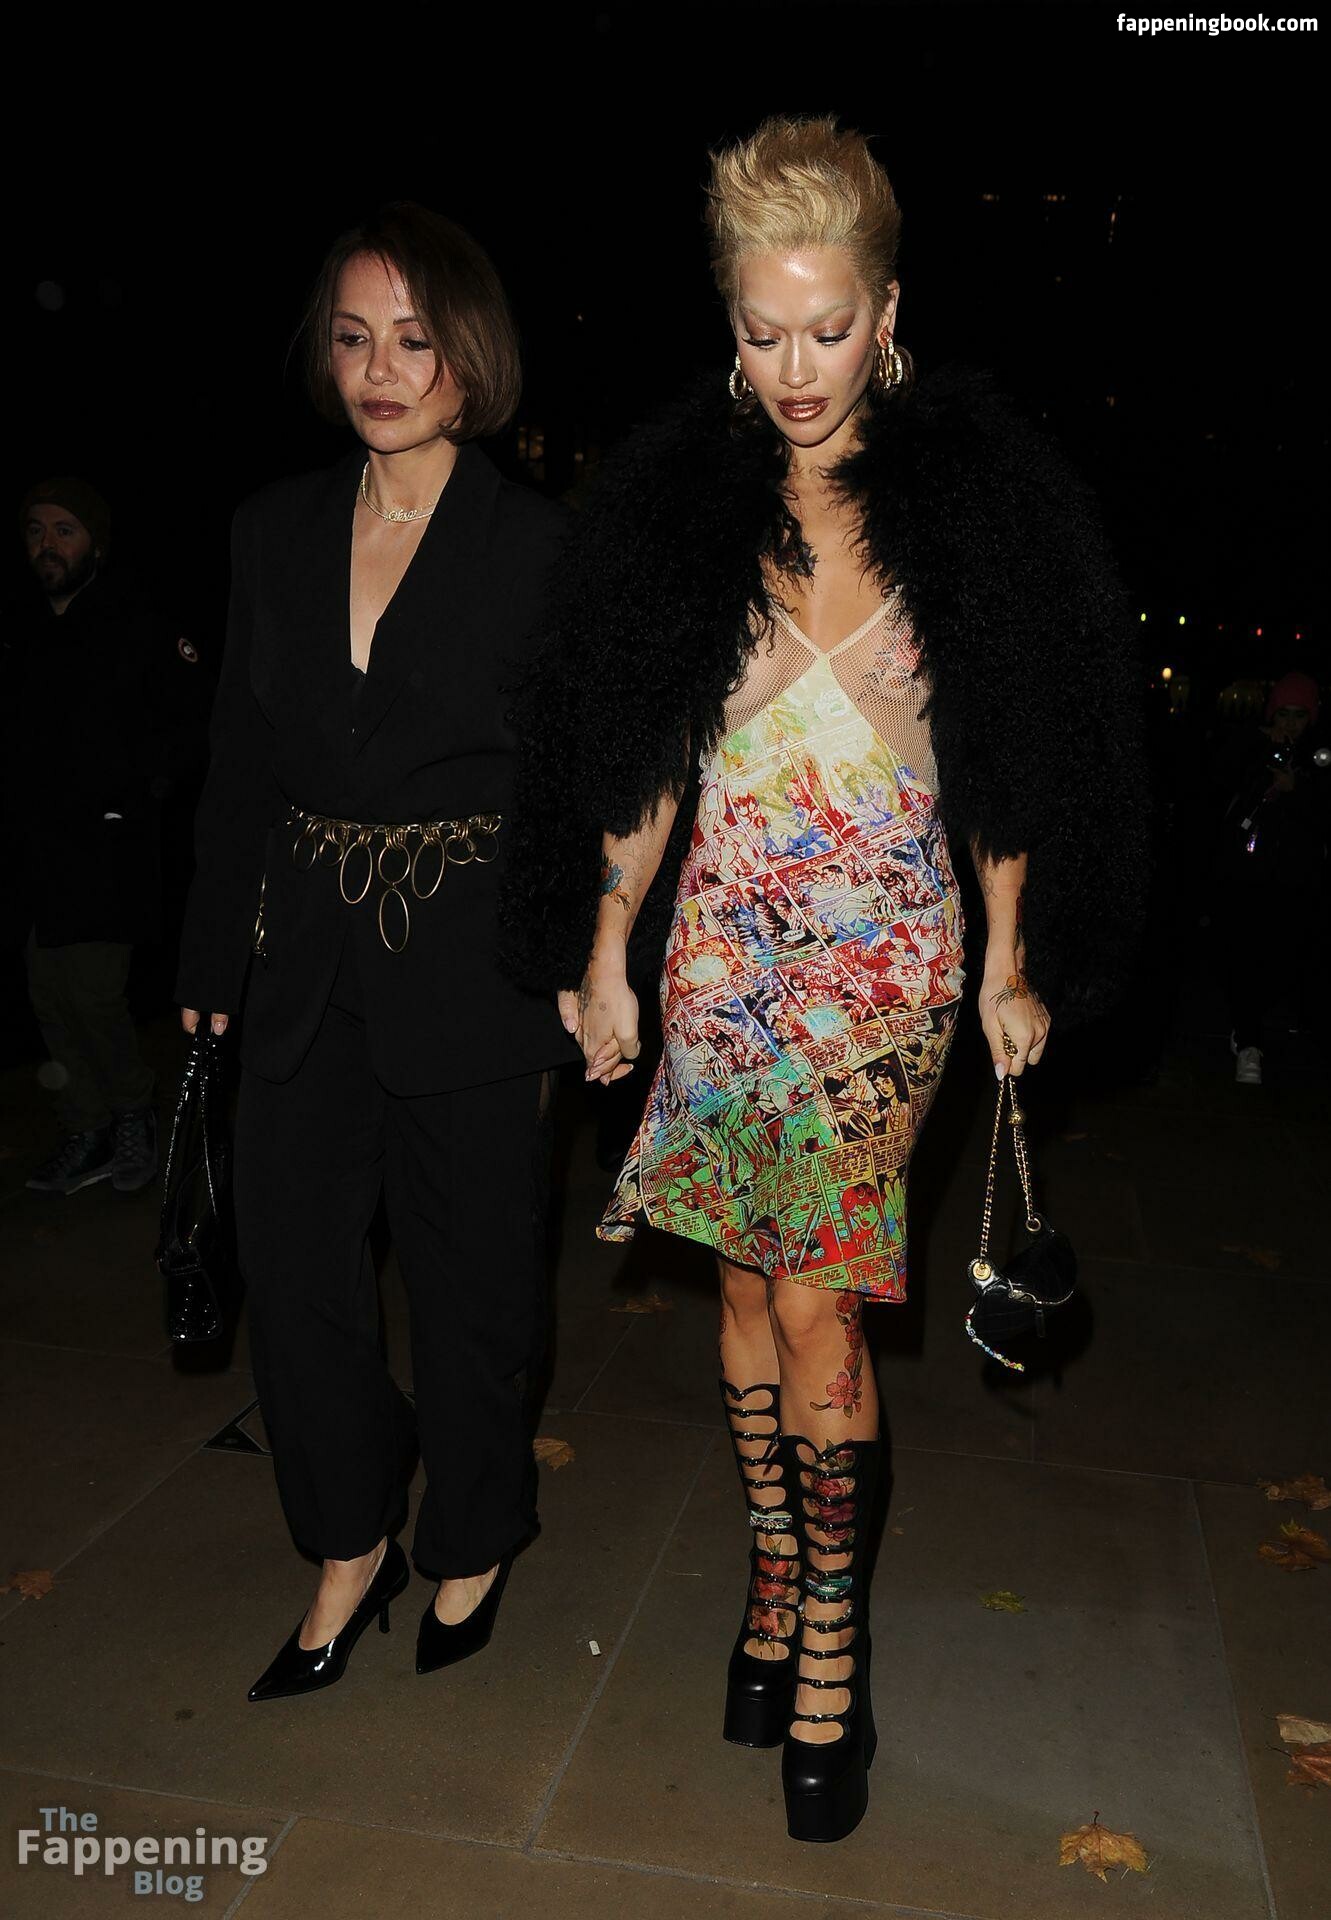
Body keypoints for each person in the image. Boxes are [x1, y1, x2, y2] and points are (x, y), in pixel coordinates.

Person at [503, 118, 1144, 1842]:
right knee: (737, 1293)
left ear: (888, 316)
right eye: (763, 329)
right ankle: (774, 1576)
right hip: (721, 951)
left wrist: (1009, 958)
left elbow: (1003, 758)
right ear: (730, 323)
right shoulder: (685, 510)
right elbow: (643, 758)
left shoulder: (970, 509)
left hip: (886, 961)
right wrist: (605, 950)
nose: (796, 367)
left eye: (829, 326)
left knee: (817, 1303)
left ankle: (832, 1645)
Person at [174, 203, 574, 1704]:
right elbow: (237, 761)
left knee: (475, 1285)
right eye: (353, 339)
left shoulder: (537, 547)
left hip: (474, 964)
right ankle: (348, 1539)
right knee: (293, 1274)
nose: (380, 370)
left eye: (413, 340)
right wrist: (208, 957)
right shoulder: (271, 529)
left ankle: (471, 1531)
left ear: (471, 357)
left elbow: (576, 783)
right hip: (301, 962)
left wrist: (578, 960)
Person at [6, 478, 207, 1195]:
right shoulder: (26, 631)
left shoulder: (135, 624)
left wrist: (135, 795)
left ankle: (132, 1117)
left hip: (105, 852)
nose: (48, 544)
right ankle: (84, 1124)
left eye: (65, 530)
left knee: (93, 994)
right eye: (37, 530)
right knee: (49, 994)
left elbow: (191, 720)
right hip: (37, 856)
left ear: (94, 543)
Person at [1219, 669, 1328, 1083]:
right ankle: (1248, 1042)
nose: (1291, 724)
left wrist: (1298, 790)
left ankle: (1253, 1026)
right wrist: (1260, 749)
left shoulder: (1319, 758)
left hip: (1298, 880)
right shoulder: (1255, 747)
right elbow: (1222, 779)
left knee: (1285, 959)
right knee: (1244, 953)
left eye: (1300, 715)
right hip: (1249, 875)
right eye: (1284, 713)